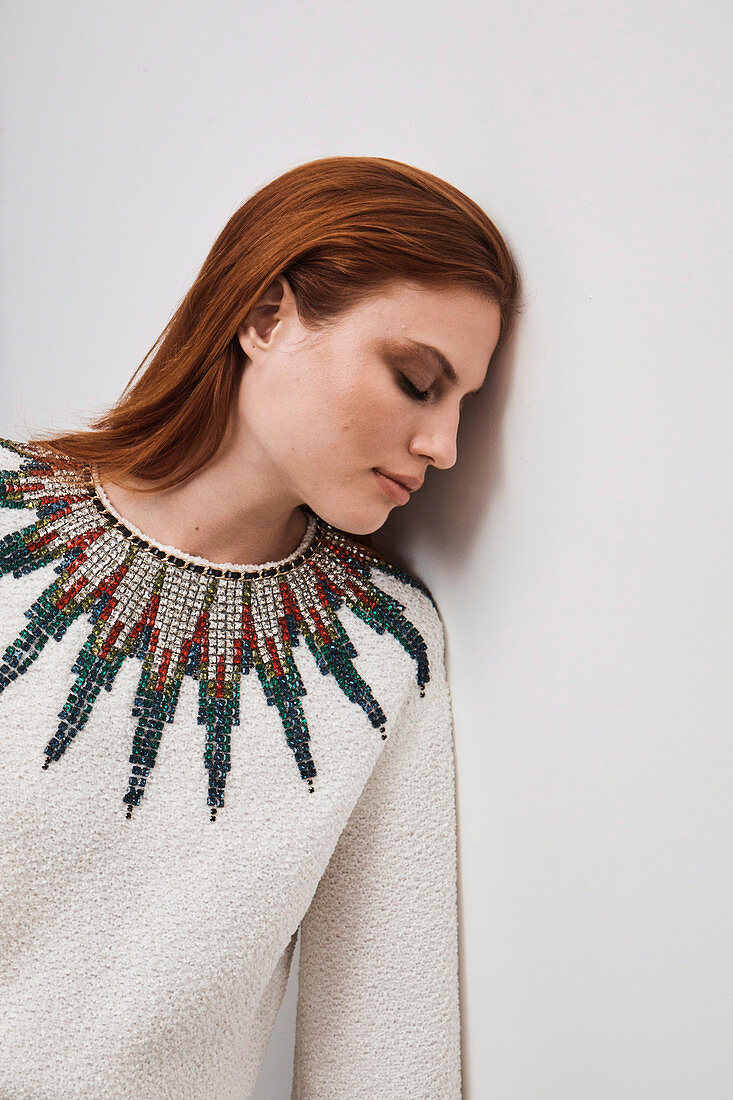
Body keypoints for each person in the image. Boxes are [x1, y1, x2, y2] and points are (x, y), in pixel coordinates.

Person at [0, 155, 521, 1098]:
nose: (443, 446)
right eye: (415, 380)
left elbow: (384, 1042)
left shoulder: (379, 652)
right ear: (265, 317)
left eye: (463, 406)